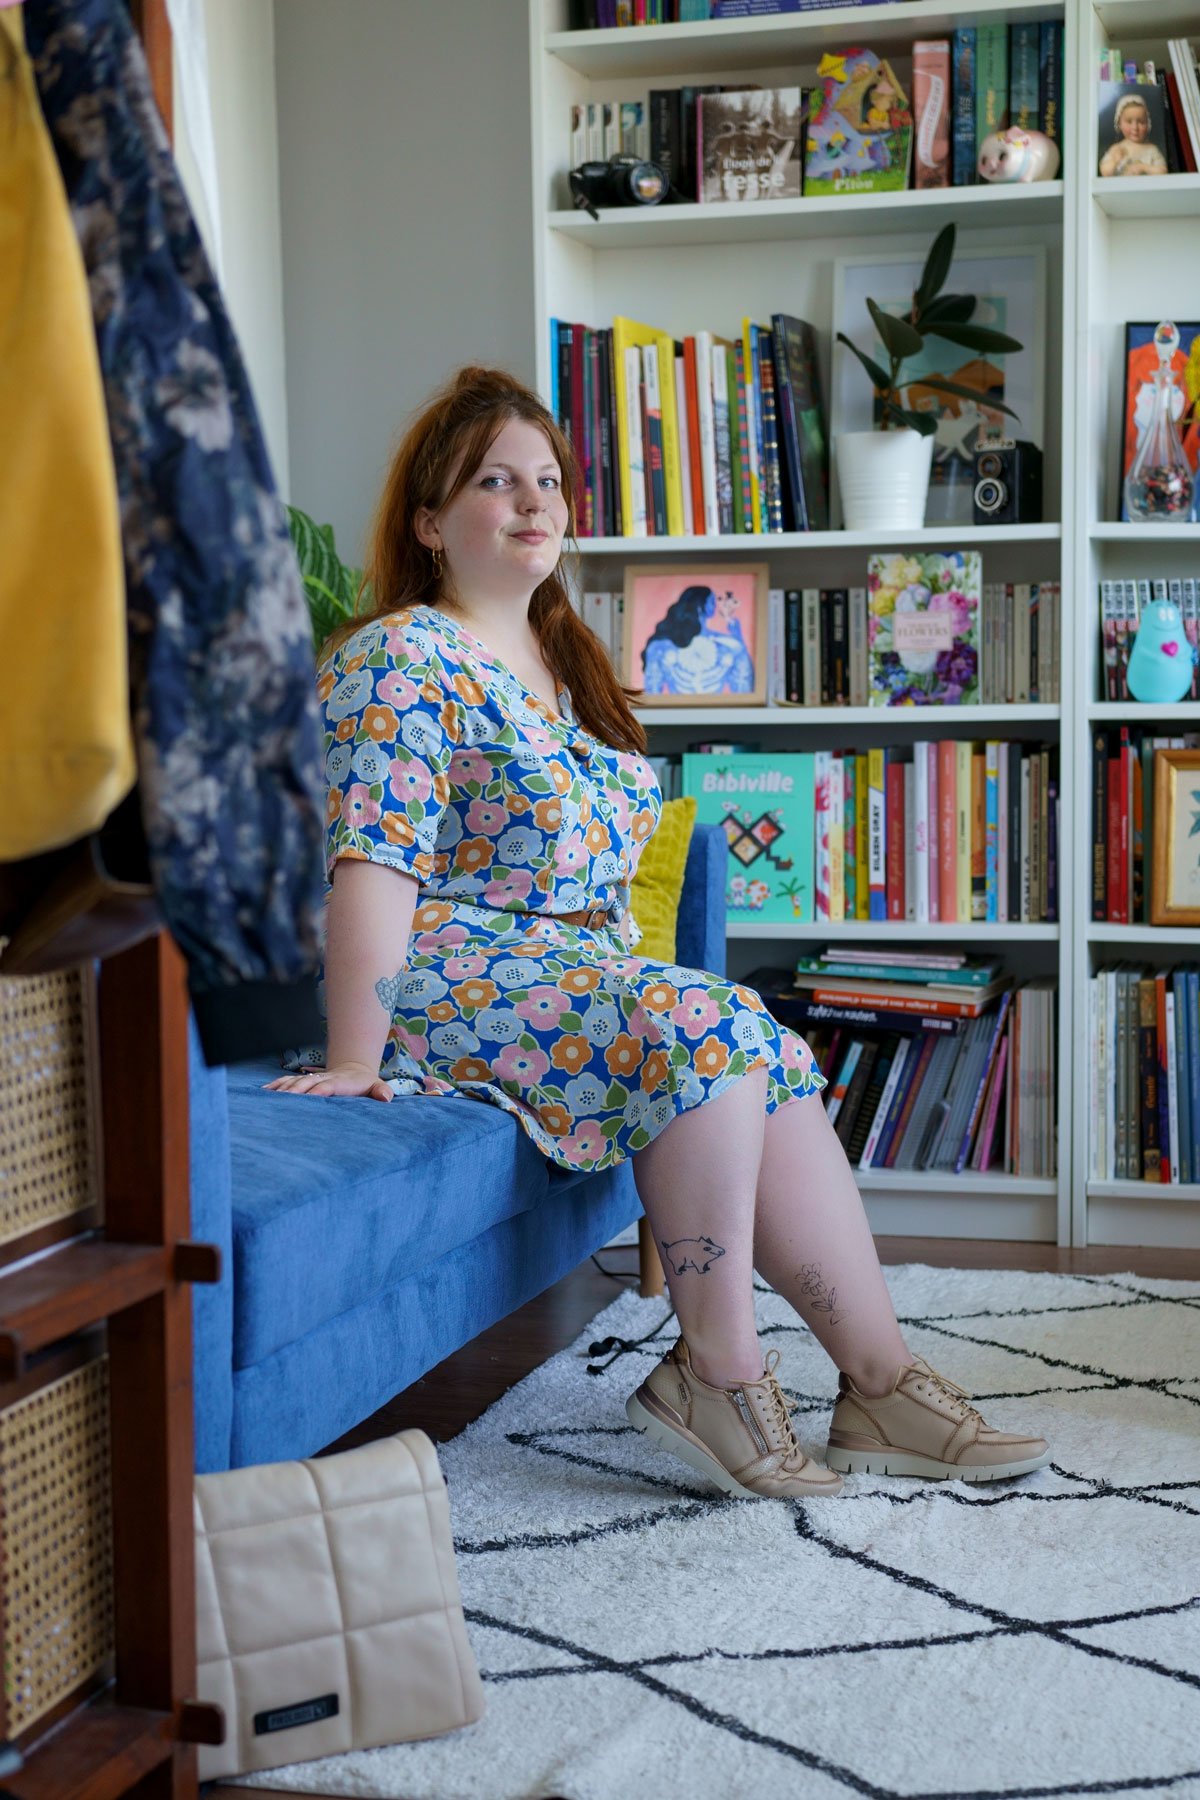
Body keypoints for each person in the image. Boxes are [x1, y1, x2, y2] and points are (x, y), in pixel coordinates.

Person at [267, 365, 1051, 1499]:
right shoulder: (400, 658)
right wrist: (354, 1053)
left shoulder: (567, 668)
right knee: (705, 1021)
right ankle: (718, 1374)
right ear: (432, 522)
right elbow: (375, 860)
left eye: (547, 479)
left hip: (562, 969)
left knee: (762, 1049)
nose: (534, 501)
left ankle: (878, 1384)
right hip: (447, 972)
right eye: (495, 480)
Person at [1098, 94, 1168, 178]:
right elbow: (1105, 172)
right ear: (1119, 124)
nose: (1135, 127)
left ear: (1148, 124)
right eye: (1129, 122)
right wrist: (1115, 161)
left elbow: (1163, 172)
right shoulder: (1117, 148)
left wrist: (1144, 167)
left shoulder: (1152, 149)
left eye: (1141, 122)